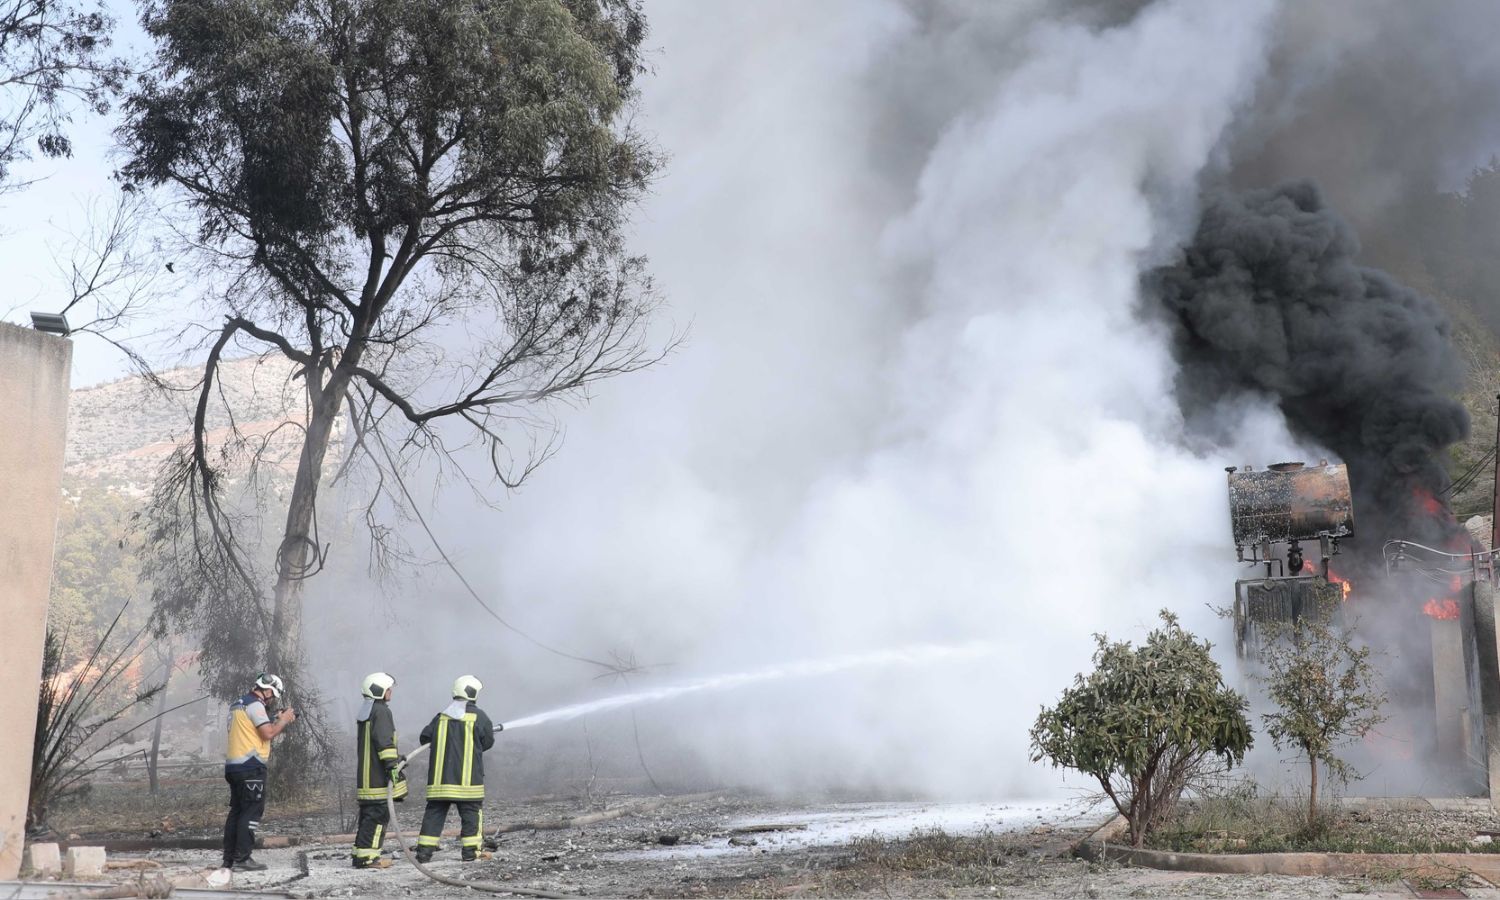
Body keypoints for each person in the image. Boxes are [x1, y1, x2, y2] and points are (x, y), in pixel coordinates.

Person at [415, 675, 500, 862]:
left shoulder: (441, 717)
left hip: (440, 783)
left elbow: (424, 738)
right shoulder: (479, 716)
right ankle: (470, 853)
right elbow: (487, 742)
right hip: (467, 782)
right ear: (473, 693)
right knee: (471, 815)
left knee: (434, 815)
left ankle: (423, 854)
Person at [222, 673, 296, 872]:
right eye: (273, 695)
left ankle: (229, 859)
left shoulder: (238, 704)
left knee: (237, 812)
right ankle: (242, 859)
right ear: (268, 690)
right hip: (251, 767)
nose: (272, 700)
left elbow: (250, 729)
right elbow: (268, 733)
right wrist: (285, 720)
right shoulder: (255, 705)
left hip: (234, 766)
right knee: (251, 812)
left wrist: (274, 718)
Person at [352, 671, 405, 869]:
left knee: (368, 818)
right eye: (388, 688)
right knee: (378, 816)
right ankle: (369, 859)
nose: (391, 691)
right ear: (380, 690)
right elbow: (384, 742)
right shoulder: (381, 711)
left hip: (366, 778)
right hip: (377, 779)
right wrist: (392, 766)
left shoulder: (366, 711)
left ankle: (360, 854)